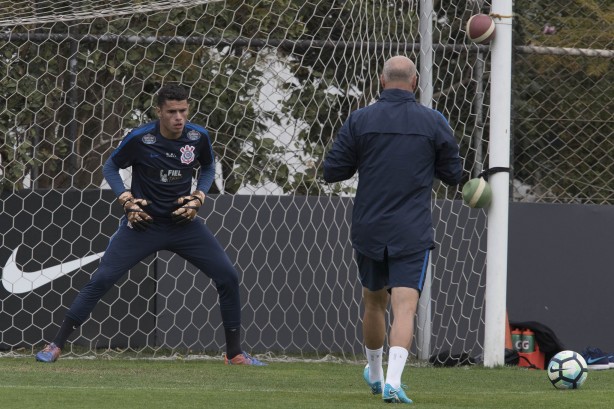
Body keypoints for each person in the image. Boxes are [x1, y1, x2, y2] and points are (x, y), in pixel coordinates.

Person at [36, 84, 265, 366]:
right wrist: (126, 199)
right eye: (171, 112)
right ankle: (56, 345)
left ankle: (235, 354)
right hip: (143, 225)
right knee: (102, 280)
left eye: (183, 110)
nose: (178, 117)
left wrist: (199, 196)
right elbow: (111, 166)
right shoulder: (140, 138)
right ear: (159, 112)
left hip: (184, 224)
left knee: (228, 277)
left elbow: (207, 166)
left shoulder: (198, 137)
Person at [323, 56, 462, 403]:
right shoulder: (434, 121)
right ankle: (394, 382)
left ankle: (374, 372)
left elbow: (333, 171)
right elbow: (454, 174)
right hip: (411, 229)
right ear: (415, 82)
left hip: (369, 226)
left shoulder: (360, 119)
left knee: (373, 303)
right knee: (405, 307)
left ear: (381, 82)